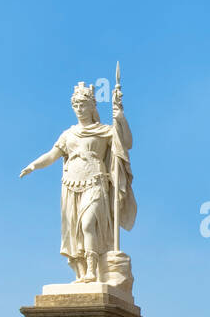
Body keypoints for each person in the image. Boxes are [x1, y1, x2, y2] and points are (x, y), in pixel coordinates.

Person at [19, 80, 135, 284]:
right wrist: (33, 166)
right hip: (71, 184)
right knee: (76, 230)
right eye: (76, 105)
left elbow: (126, 142)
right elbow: (51, 155)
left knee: (88, 222)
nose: (79, 109)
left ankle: (92, 271)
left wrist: (120, 116)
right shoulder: (68, 134)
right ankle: (81, 273)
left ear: (92, 106)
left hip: (95, 181)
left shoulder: (104, 130)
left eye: (83, 105)